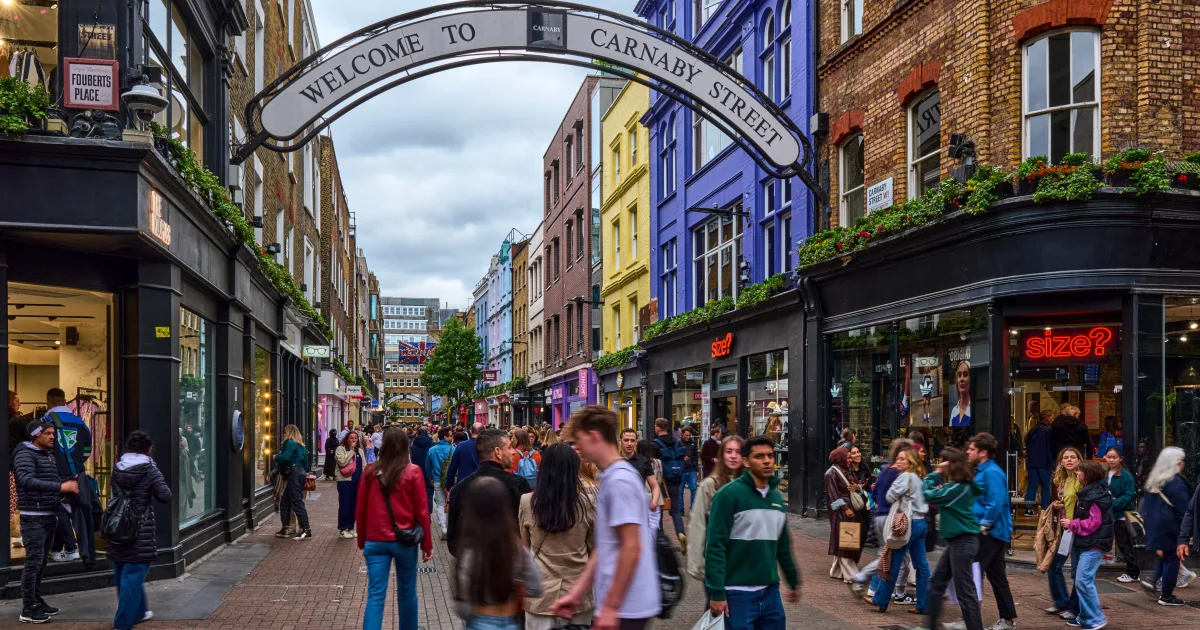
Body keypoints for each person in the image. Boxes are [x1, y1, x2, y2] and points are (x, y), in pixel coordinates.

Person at [552, 406, 661, 629]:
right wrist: (577, 594)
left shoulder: (620, 480)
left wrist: (611, 606)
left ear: (594, 436)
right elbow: (606, 546)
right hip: (619, 604)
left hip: (627, 606)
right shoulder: (612, 476)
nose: (576, 447)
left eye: (577, 440)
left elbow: (632, 547)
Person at [704, 435, 800, 630]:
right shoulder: (728, 495)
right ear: (746, 461)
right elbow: (715, 546)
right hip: (737, 594)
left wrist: (793, 580)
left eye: (770, 456)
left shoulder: (776, 498)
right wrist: (717, 592)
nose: (766, 461)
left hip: (770, 592)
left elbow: (782, 545)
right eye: (759, 456)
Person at [356, 427, 433, 630]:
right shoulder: (413, 472)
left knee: (376, 595)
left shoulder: (369, 472)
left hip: (375, 540)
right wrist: (427, 544)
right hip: (404, 540)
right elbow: (422, 512)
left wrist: (362, 540)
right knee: (407, 593)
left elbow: (361, 509)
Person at [519, 443, 596, 630]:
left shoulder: (527, 502)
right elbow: (594, 547)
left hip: (540, 594)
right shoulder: (587, 503)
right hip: (577, 593)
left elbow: (525, 545)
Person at [13, 419, 79, 624]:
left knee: (41, 563)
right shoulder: (25, 454)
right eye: (47, 433)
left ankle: (36, 599)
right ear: (36, 435)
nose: (52, 436)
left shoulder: (48, 455)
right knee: (33, 563)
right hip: (33, 517)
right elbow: (25, 480)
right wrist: (61, 487)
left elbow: (47, 482)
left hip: (48, 514)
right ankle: (28, 608)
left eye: (53, 433)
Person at [455, 477, 543, 630]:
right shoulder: (516, 548)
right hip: (510, 621)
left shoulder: (469, 550)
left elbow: (463, 607)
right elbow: (535, 587)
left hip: (478, 622)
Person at [107, 430, 171, 630]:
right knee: (133, 575)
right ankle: (123, 622)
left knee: (122, 572)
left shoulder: (118, 468)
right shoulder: (150, 469)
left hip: (117, 525)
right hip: (139, 529)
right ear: (149, 449)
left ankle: (140, 612)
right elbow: (165, 495)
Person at [923, 447, 983, 630]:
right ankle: (932, 625)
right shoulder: (960, 485)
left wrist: (934, 475)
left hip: (962, 541)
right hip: (958, 541)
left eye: (943, 460)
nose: (940, 463)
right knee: (937, 582)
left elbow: (929, 495)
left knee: (965, 590)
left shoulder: (957, 488)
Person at [447, 428, 532, 556]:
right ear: (498, 452)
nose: (513, 452)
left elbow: (453, 541)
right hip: (509, 566)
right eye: (509, 447)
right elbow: (526, 531)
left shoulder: (459, 489)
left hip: (474, 569)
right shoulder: (517, 484)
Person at [868, 445, 930, 615]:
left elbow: (889, 496)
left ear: (910, 461)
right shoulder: (919, 476)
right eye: (898, 458)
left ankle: (880, 599)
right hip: (921, 523)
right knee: (921, 565)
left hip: (907, 524)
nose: (898, 461)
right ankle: (924, 604)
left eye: (903, 459)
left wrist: (894, 486)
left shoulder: (905, 477)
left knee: (894, 561)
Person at [967, 433, 1016, 630]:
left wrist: (984, 525)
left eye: (972, 449)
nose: (968, 452)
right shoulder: (981, 470)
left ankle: (970, 619)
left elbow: (995, 502)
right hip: (993, 531)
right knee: (996, 577)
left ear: (983, 452)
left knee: (971, 573)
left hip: (990, 532)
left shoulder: (991, 472)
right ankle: (1008, 619)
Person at [41, 388, 91, 564]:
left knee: (57, 509)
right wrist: (78, 463)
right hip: (75, 473)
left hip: (52, 473)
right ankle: (57, 549)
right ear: (64, 401)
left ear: (49, 401)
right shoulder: (80, 422)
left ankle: (69, 547)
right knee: (68, 510)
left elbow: (39, 449)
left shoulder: (44, 422)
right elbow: (87, 448)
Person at [1063, 460, 1113, 628]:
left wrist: (1072, 524)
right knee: (1081, 579)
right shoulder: (1090, 492)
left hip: (1093, 543)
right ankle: (1085, 616)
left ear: (1088, 474)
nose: (1077, 474)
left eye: (1080, 471)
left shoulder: (1095, 495)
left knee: (1083, 580)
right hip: (1086, 542)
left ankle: (1095, 618)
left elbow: (1093, 523)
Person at [686, 434, 744, 581]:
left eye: (738, 452)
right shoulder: (710, 485)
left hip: (742, 563)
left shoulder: (749, 485)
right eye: (729, 451)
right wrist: (697, 563)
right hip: (716, 561)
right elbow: (697, 524)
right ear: (721, 455)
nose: (733, 456)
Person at [1141, 446, 1189, 606]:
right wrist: (1186, 531)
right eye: (1182, 461)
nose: (1183, 464)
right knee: (1172, 558)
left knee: (1166, 556)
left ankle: (1154, 580)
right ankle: (1166, 595)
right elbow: (1183, 509)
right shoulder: (1176, 482)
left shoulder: (1154, 480)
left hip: (1155, 525)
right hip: (1171, 526)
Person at [1046, 447, 1083, 618]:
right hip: (1065, 530)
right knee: (1054, 566)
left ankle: (1074, 607)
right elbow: (1066, 501)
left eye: (1072, 457)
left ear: (1078, 460)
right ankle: (1061, 602)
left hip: (1077, 529)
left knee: (1077, 571)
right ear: (1061, 462)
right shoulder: (1062, 480)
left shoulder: (1081, 479)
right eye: (1066, 457)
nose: (1069, 460)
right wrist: (1058, 505)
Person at [824, 447, 862, 583]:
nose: (850, 459)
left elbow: (855, 486)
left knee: (845, 538)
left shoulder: (847, 470)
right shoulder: (831, 474)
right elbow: (833, 495)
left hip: (849, 508)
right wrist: (845, 508)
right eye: (847, 457)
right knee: (847, 539)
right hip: (842, 512)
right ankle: (851, 574)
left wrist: (858, 487)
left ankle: (837, 570)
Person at [652, 418, 688, 552]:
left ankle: (660, 540)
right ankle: (680, 533)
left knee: (659, 509)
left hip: (661, 481)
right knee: (675, 509)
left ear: (657, 428)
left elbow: (652, 465)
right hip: (675, 478)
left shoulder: (655, 444)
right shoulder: (676, 442)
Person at [1104, 446, 1139, 583]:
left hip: (1123, 515)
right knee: (1123, 544)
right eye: (1109, 457)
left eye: (1114, 457)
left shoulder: (1126, 476)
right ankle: (1133, 571)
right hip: (1113, 514)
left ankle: (1132, 572)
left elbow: (1129, 495)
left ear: (1120, 459)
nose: (1111, 460)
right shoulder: (1107, 474)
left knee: (1125, 544)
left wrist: (1111, 504)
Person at [274, 424, 312, 540]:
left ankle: (306, 529)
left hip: (294, 475)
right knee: (285, 501)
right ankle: (286, 528)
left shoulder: (290, 443)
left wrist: (275, 456)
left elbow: (284, 458)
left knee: (296, 502)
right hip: (300, 473)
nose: (283, 435)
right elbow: (306, 465)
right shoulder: (301, 446)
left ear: (288, 433)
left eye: (284, 432)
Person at [334, 430, 366, 539]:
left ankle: (351, 527)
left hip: (357, 481)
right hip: (344, 480)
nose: (353, 440)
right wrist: (351, 451)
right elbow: (342, 462)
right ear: (347, 439)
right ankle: (343, 528)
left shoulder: (360, 451)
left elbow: (364, 466)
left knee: (354, 505)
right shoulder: (340, 449)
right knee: (345, 504)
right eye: (351, 438)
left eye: (355, 438)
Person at [424, 427, 455, 539]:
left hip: (437, 480)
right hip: (451, 482)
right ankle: (450, 526)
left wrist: (431, 477)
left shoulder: (432, 450)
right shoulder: (454, 449)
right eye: (451, 435)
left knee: (441, 504)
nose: (452, 437)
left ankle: (443, 527)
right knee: (451, 503)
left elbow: (428, 467)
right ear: (445, 437)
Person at [1023, 410, 1055, 516]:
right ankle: (1045, 509)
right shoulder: (1049, 430)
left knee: (1033, 485)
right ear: (1047, 418)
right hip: (1044, 462)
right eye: (1052, 417)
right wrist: (1053, 461)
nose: (1053, 419)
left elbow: (1027, 443)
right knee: (1046, 486)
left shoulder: (1033, 429)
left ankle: (1028, 508)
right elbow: (1050, 447)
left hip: (1032, 462)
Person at [446, 422, 482, 491]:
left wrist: (449, 485)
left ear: (471, 432)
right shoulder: (488, 446)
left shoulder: (461, 446)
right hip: (483, 484)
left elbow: (452, 467)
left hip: (463, 484)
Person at [410, 428, 434, 513]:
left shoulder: (413, 445)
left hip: (417, 473)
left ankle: (419, 512)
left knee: (418, 494)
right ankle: (429, 513)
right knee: (429, 494)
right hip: (429, 474)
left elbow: (412, 460)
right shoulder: (432, 444)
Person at [949, 360, 972, 427]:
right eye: (959, 375)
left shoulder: (975, 409)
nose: (961, 379)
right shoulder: (954, 411)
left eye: (965, 375)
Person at [681, 427, 699, 508]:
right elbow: (674, 456)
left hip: (692, 469)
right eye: (686, 435)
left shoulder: (693, 443)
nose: (688, 437)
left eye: (689, 435)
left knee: (694, 489)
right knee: (680, 491)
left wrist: (696, 469)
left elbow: (696, 456)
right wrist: (682, 458)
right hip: (682, 470)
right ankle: (681, 508)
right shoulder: (678, 443)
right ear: (682, 434)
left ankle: (693, 508)